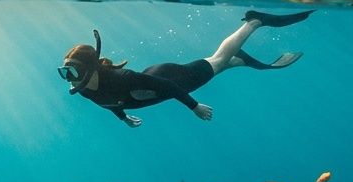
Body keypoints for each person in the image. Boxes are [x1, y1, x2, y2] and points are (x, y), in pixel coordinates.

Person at [57, 10, 312, 127]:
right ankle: (237, 60)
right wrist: (124, 118)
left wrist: (195, 107)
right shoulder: (84, 89)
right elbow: (110, 103)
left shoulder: (122, 78)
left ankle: (254, 22)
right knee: (218, 64)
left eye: (73, 72)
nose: (69, 80)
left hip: (171, 78)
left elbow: (168, 87)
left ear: (90, 69)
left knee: (218, 60)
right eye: (65, 72)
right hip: (156, 79)